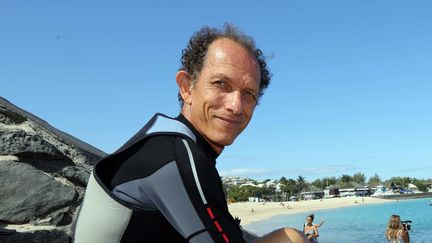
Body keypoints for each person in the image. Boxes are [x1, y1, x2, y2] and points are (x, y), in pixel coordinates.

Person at [73, 24, 307, 243]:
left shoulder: (170, 140)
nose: (236, 106)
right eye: (221, 84)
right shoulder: (175, 155)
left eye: (248, 94)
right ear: (186, 87)